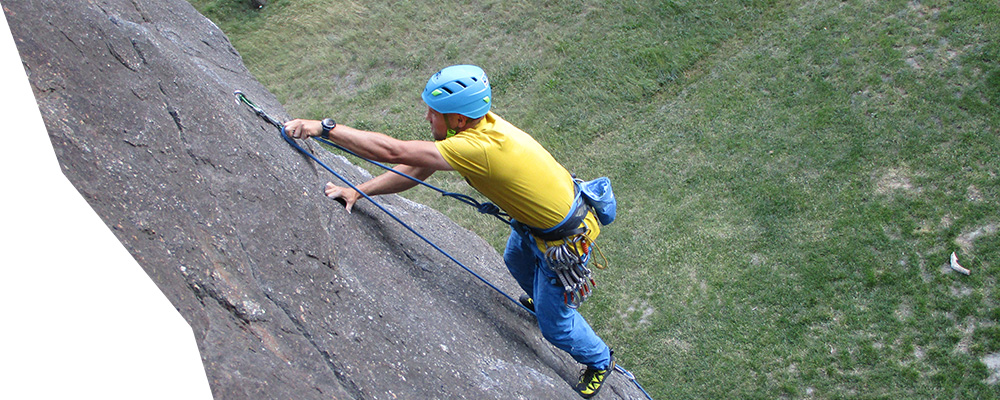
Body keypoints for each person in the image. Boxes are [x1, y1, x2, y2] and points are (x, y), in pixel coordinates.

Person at [284, 65, 614, 398]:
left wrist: (323, 128)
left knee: (555, 327)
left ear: (458, 119)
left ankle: (600, 359)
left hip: (563, 242)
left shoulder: (478, 149)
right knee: (515, 259)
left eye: (434, 112)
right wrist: (360, 189)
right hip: (539, 224)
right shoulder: (479, 127)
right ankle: (542, 299)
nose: (427, 117)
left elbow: (392, 152)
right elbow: (418, 167)